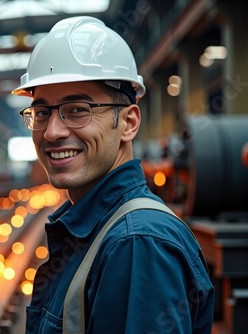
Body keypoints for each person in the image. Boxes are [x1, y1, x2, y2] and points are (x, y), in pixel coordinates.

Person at [12, 17, 214, 333]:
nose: (51, 132)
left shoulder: (137, 245)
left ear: (129, 123)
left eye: (77, 109)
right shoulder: (94, 228)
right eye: (41, 113)